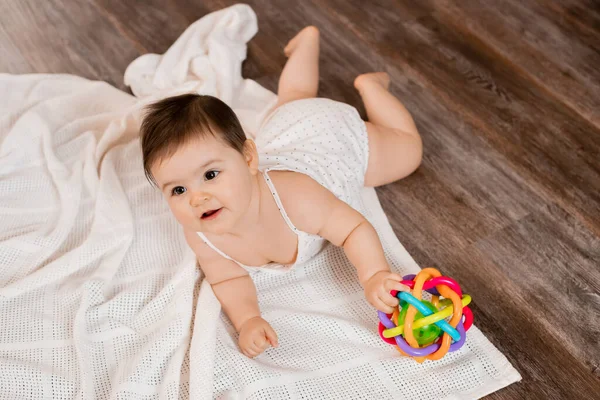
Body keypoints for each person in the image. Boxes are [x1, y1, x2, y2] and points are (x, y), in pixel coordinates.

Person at [140, 26, 423, 358]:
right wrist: (247, 319)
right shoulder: (200, 233)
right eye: (177, 189)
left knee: (408, 152)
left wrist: (374, 274)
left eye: (211, 174)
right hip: (286, 128)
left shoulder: (294, 196)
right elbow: (227, 279)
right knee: (293, 97)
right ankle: (307, 42)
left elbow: (353, 228)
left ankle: (371, 87)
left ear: (248, 159)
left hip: (328, 140)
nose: (196, 198)